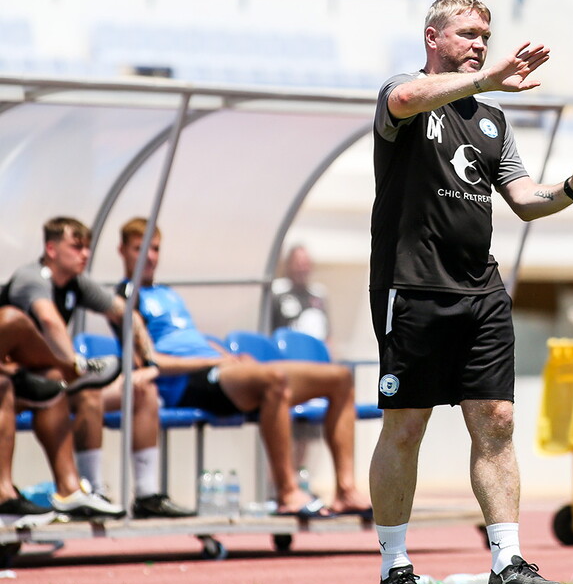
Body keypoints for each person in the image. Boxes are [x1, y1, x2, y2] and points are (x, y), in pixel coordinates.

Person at [368, 0, 573, 584]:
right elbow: (403, 101)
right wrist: (485, 76)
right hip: (414, 286)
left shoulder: (492, 121)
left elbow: (526, 199)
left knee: (498, 423)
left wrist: (571, 188)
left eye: (485, 34)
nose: (479, 42)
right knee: (407, 426)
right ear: (434, 37)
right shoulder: (402, 92)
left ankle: (507, 565)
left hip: (481, 290)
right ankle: (394, 571)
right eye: (467, 33)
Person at [115, 217, 370, 517]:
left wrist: (229, 356)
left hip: (218, 370)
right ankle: (287, 491)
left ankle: (346, 490)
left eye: (156, 248)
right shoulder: (124, 298)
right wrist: (215, 360)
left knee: (340, 378)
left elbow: (196, 341)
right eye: (141, 248)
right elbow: (149, 361)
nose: (151, 256)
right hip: (187, 382)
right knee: (274, 379)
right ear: (123, 251)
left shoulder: (168, 294)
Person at [2, 217, 193, 518]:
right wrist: (75, 365)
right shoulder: (32, 278)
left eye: (88, 248)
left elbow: (124, 312)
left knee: (132, 390)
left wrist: (147, 357)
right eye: (76, 247)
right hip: (16, 378)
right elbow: (50, 321)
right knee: (65, 383)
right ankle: (74, 488)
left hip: (46, 379)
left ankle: (125, 493)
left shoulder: (76, 283)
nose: (85, 255)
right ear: (51, 249)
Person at [0, 305, 126, 525]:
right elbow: (48, 317)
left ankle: (70, 490)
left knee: (52, 379)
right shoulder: (30, 280)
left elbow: (119, 307)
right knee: (11, 321)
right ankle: (72, 370)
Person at [270, 244, 332, 484]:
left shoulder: (318, 295)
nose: (302, 267)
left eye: (306, 262)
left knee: (307, 431)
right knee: (285, 428)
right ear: (289, 264)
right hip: (286, 374)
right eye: (298, 262)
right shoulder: (277, 293)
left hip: (314, 374)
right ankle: (281, 482)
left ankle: (301, 480)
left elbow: (328, 336)